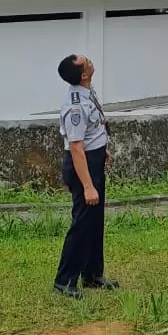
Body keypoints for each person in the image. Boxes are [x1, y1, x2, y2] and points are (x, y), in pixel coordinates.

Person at [53, 54, 119, 299]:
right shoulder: (75, 105)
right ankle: (64, 280)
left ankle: (92, 275)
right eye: (86, 61)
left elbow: (93, 131)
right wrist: (88, 186)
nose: (90, 60)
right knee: (81, 224)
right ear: (83, 74)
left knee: (94, 221)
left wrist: (103, 150)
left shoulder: (87, 91)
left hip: (93, 159)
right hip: (82, 168)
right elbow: (77, 147)